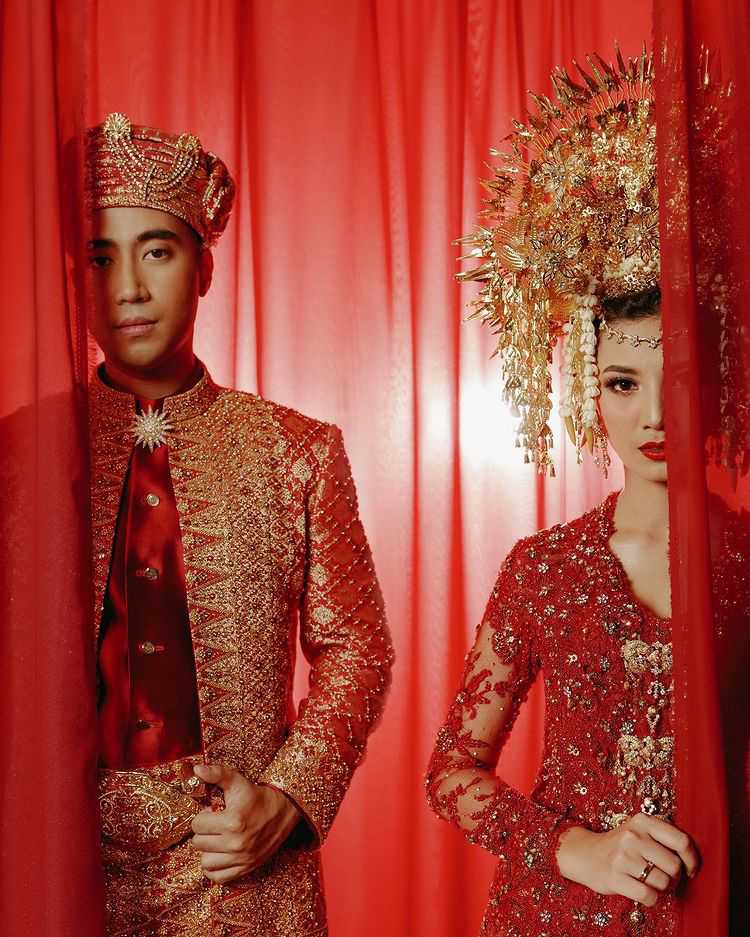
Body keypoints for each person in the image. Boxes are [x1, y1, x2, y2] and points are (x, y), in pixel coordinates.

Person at [426, 49, 749, 935]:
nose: (652, 415)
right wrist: (579, 848)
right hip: (554, 915)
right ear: (588, 390)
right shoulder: (545, 566)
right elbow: (450, 771)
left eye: (676, 381)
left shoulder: (745, 560)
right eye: (621, 383)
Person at [85, 111, 394, 936]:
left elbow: (360, 648)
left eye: (156, 250)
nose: (128, 287)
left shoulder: (296, 450)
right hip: (60, 869)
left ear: (206, 266)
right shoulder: (24, 463)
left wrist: (287, 797)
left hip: (246, 873)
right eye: (100, 257)